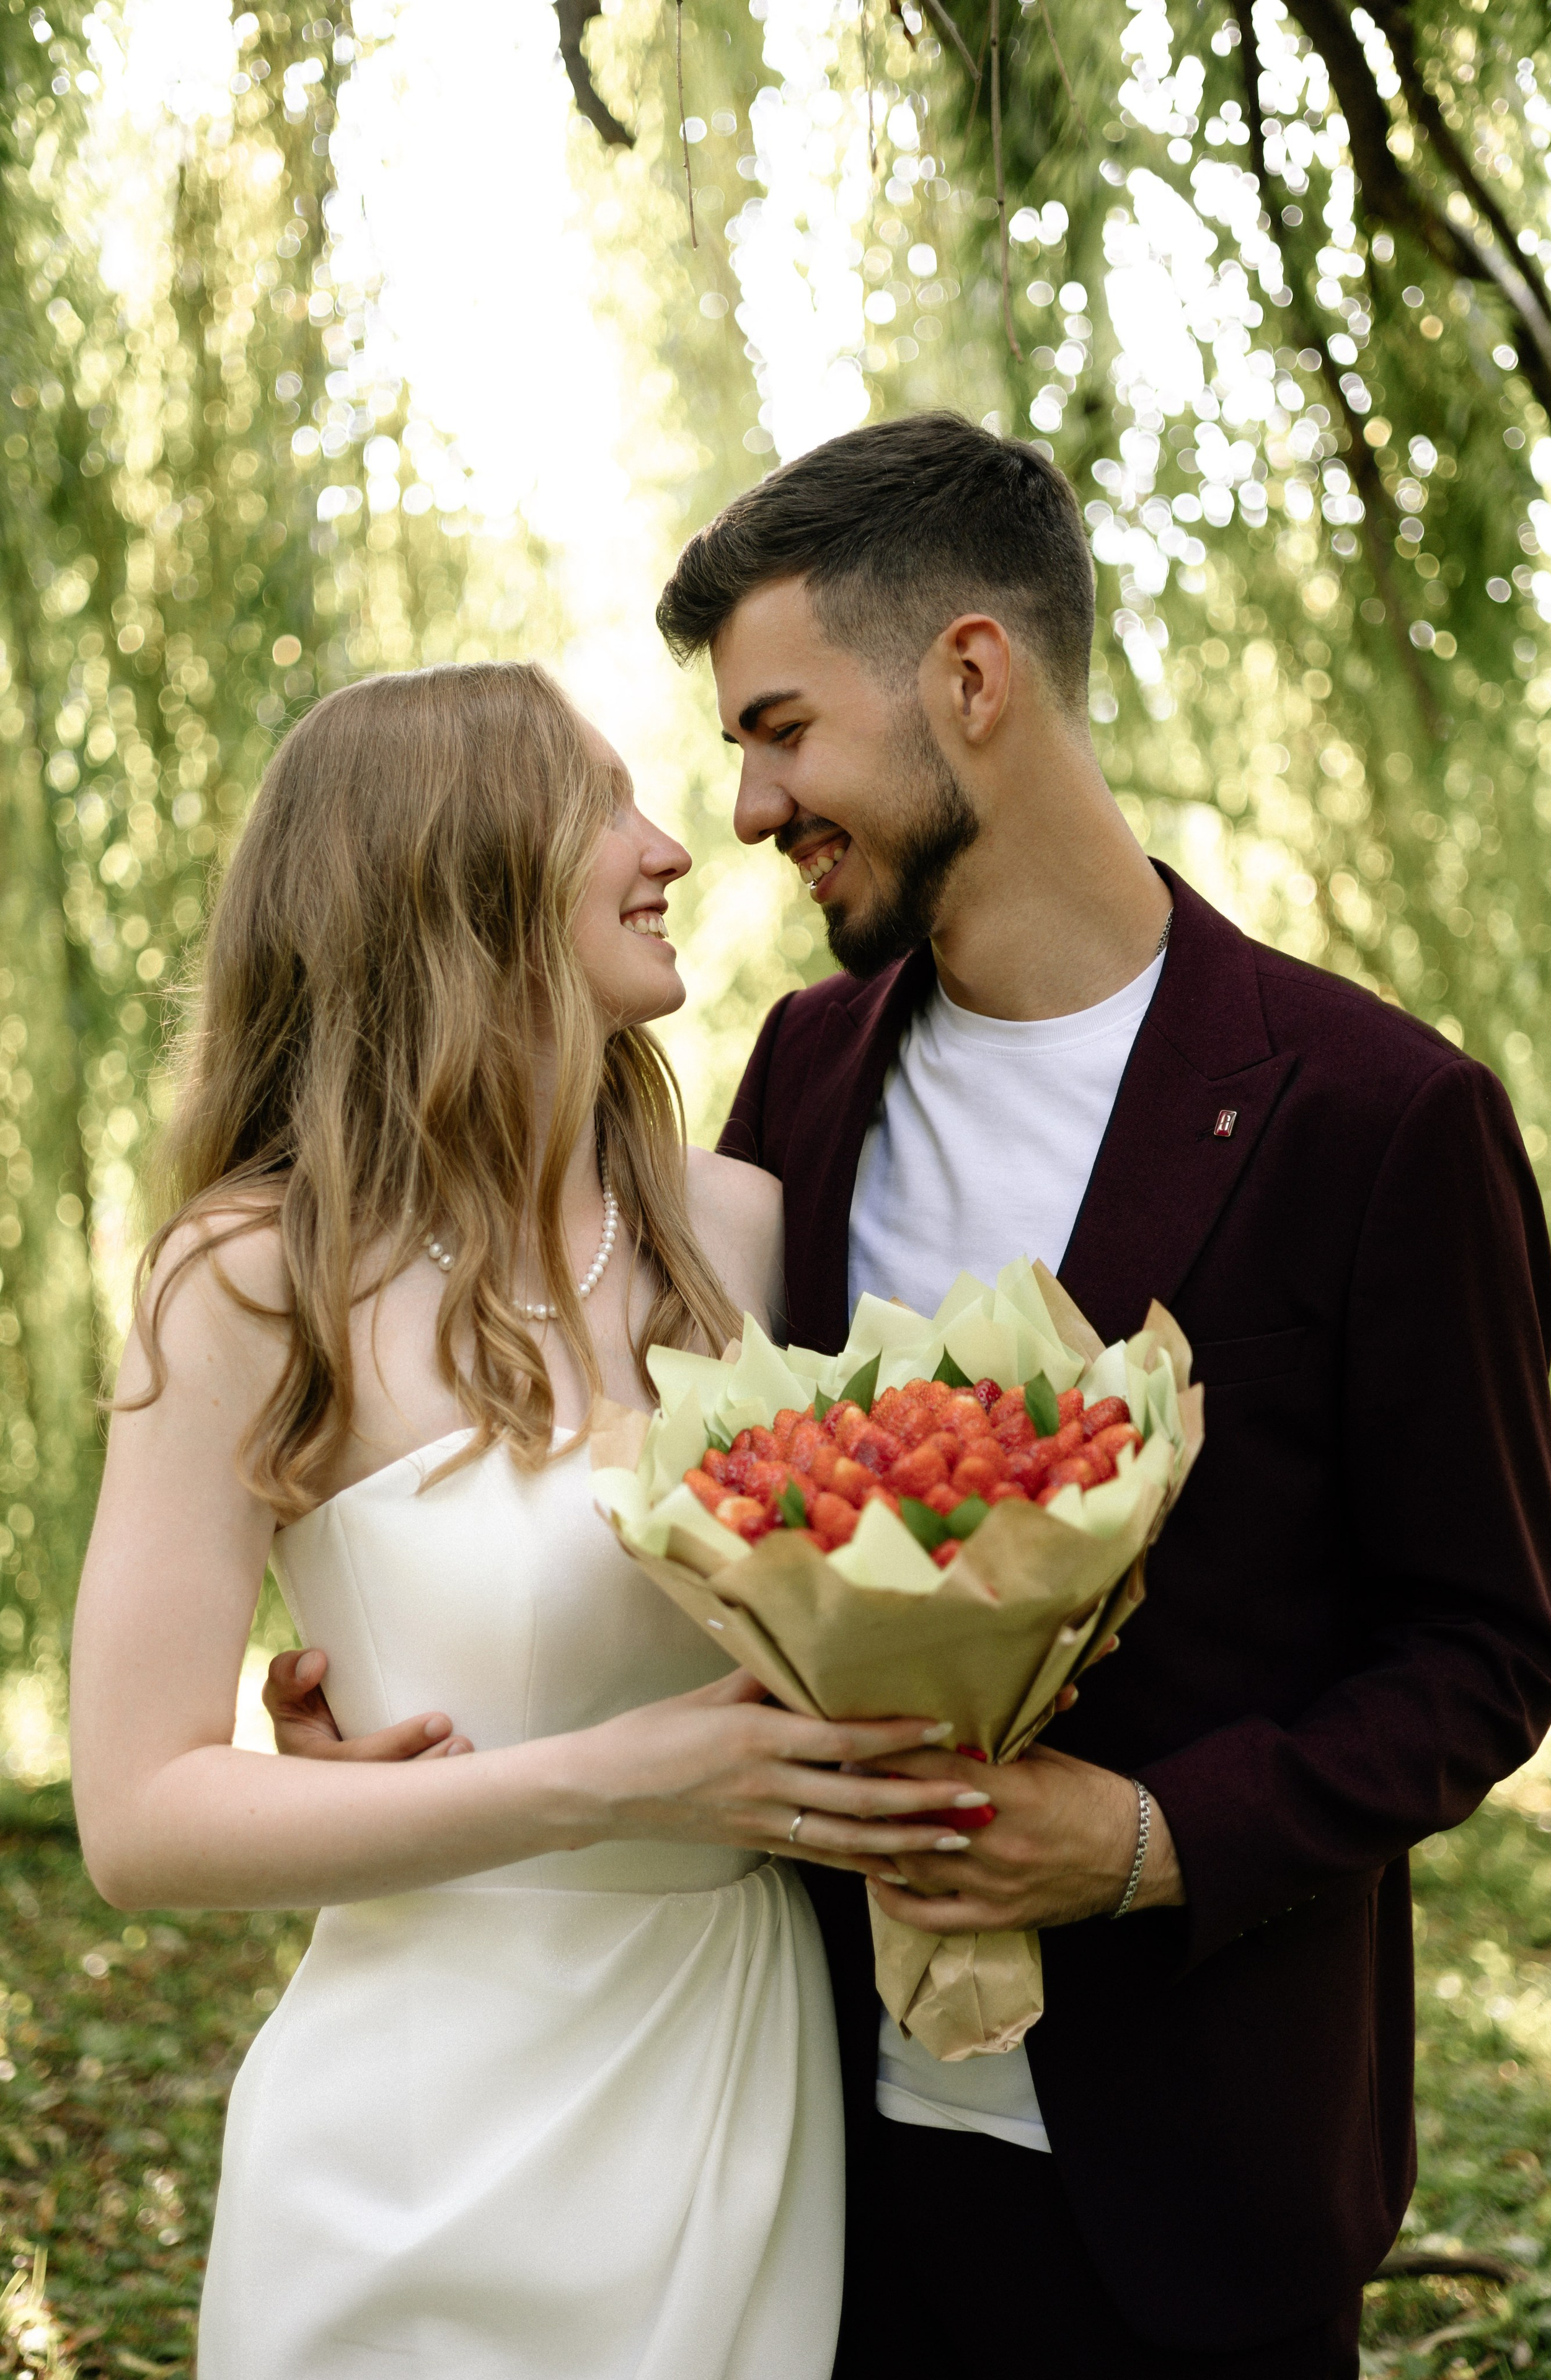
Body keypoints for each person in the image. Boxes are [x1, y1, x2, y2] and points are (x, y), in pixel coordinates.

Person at [268, 419, 1551, 2374]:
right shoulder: (796, 1083)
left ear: (970, 678)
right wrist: (402, 1694)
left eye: (780, 727)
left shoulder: (1378, 1120)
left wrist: (1147, 1837)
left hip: (1200, 2184)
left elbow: (1481, 1653)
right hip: (804, 2158)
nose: (748, 803)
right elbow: (711, 1513)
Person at [67, 660, 974, 2380]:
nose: (675, 848)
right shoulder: (252, 1277)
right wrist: (602, 1783)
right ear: (455, 870)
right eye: (607, 807)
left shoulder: (743, 1231)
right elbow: (139, 1817)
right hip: (423, 2120)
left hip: (730, 2070)